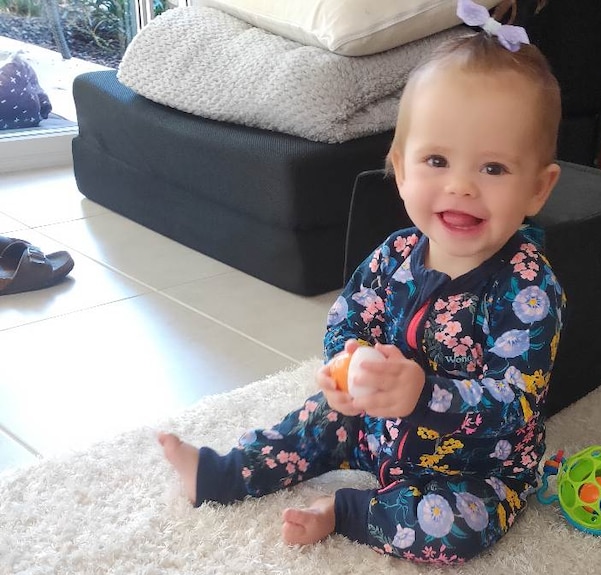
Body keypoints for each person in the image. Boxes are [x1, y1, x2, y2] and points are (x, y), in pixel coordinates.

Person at [159, 0, 565, 564]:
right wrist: (343, 367)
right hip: (372, 426)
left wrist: (425, 393)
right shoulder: (395, 253)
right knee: (314, 418)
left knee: (461, 530)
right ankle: (222, 473)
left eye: (493, 168)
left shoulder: (528, 290)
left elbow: (517, 400)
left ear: (538, 190)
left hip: (476, 464)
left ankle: (351, 511)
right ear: (399, 168)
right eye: (437, 161)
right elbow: (349, 317)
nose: (463, 187)